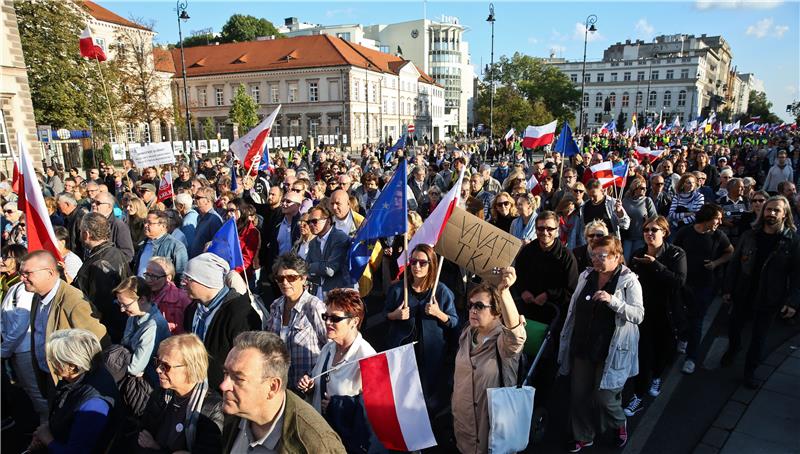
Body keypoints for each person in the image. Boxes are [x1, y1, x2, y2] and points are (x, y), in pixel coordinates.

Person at [558, 236, 644, 452]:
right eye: (593, 255)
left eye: (602, 256)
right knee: (579, 395)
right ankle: (584, 435)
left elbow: (638, 314)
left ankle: (618, 422)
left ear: (616, 256)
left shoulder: (629, 280)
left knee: (604, 398)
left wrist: (613, 301)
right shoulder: (586, 275)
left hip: (611, 349)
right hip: (583, 345)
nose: (596, 260)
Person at [220, 331, 347, 453]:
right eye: (226, 373)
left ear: (273, 387)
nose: (224, 386)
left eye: (238, 378)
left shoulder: (315, 444)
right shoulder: (230, 418)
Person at [722, 196, 799, 388]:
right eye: (768, 209)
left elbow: (797, 274)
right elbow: (735, 263)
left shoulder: (791, 241)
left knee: (759, 337)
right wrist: (728, 288)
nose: (771, 213)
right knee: (734, 327)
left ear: (785, 214)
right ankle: (733, 348)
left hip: (770, 297)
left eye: (776, 210)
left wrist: (792, 301)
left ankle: (750, 371)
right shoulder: (750, 235)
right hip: (743, 292)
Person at [452, 269, 526, 454]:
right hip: (464, 425)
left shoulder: (503, 341)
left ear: (496, 311)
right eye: (470, 305)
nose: (472, 310)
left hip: (491, 427)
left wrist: (504, 292)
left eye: (479, 306)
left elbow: (516, 337)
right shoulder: (467, 333)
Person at [296, 289, 377, 452]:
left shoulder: (367, 358)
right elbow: (318, 381)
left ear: (354, 321)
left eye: (335, 318)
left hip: (348, 445)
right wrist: (310, 387)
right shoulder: (328, 348)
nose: (327, 322)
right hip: (322, 438)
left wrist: (338, 405)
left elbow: (375, 409)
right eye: (326, 316)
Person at [384, 244, 458, 414]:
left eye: (422, 263)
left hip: (430, 354)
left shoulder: (441, 291)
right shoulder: (398, 289)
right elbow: (384, 314)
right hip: (402, 352)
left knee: (425, 398)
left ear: (431, 264)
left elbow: (454, 323)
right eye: (414, 261)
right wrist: (394, 315)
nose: (417, 266)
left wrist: (439, 314)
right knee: (401, 394)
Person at [624, 216, 687, 416]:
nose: (649, 233)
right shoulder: (637, 254)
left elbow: (678, 282)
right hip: (644, 315)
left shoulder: (676, 254)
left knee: (663, 352)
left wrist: (655, 265)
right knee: (644, 354)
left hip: (667, 314)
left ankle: (658, 376)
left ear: (665, 233)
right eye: (646, 230)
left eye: (655, 230)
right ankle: (638, 395)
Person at [24, 250, 109, 397]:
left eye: (27, 273)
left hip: (72, 384)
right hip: (50, 377)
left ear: (49, 273)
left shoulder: (74, 301)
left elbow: (99, 343)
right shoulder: (37, 297)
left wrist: (81, 383)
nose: (22, 278)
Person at [27, 329, 119, 453]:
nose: (51, 363)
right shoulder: (83, 375)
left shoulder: (94, 404)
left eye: (55, 360)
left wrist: (47, 439)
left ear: (72, 366)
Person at [182, 253, 261, 390]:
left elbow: (247, 360)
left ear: (205, 280)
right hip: (196, 388)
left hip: (224, 393)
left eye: (189, 278)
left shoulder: (240, 312)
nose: (183, 283)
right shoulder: (192, 310)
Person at [137, 334, 224, 454]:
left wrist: (156, 448)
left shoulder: (212, 408)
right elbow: (143, 434)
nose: (158, 369)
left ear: (191, 368)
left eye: (166, 366)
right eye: (157, 362)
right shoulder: (161, 393)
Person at [672, 204, 733, 374]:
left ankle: (691, 358)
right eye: (717, 218)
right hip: (683, 282)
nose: (720, 222)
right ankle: (683, 338)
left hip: (704, 284)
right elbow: (674, 251)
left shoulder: (719, 236)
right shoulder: (685, 232)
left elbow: (730, 252)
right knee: (680, 315)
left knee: (697, 320)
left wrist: (716, 263)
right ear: (707, 217)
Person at [265, 254, 327, 391]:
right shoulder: (275, 306)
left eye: (291, 277)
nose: (285, 283)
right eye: (280, 278)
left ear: (303, 278)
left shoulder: (314, 306)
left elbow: (330, 347)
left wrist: (313, 377)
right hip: (282, 387)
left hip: (309, 389)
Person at [1, 245, 47, 420]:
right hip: (16, 348)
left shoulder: (24, 289)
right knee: (28, 388)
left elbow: (20, 323)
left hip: (24, 349)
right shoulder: (14, 286)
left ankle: (47, 426)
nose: (2, 260)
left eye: (7, 257)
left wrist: (4, 349)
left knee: (35, 390)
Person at [74, 213, 132, 343]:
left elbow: (98, 305)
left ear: (87, 234)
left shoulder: (99, 262)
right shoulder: (114, 253)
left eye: (81, 231)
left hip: (104, 332)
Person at [513, 211, 579, 319]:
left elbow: (571, 289)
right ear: (536, 229)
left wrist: (549, 295)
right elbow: (517, 276)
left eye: (549, 229)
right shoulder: (527, 251)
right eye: (540, 228)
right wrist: (523, 291)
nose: (545, 232)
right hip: (525, 311)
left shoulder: (567, 256)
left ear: (557, 230)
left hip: (553, 314)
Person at [114, 276, 171, 387]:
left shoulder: (153, 326)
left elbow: (135, 368)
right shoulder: (133, 315)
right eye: (119, 304)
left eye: (125, 305)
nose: (121, 309)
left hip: (148, 385)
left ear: (142, 300)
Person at [306, 205, 352, 296]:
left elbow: (330, 270)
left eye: (315, 221)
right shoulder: (312, 243)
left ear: (328, 221)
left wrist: (310, 267)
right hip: (318, 293)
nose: (311, 224)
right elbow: (306, 270)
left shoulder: (340, 238)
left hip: (339, 293)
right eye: (309, 222)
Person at [132, 211, 188, 282]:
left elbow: (181, 276)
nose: (145, 225)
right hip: (141, 289)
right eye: (145, 222)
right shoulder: (144, 243)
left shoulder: (176, 246)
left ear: (163, 226)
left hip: (162, 292)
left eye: (149, 223)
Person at [145, 257, 192, 335]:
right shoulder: (143, 294)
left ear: (168, 278)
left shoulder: (182, 299)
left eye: (154, 277)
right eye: (147, 275)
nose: (149, 280)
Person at [621, 176, 657, 263]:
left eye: (645, 188)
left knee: (636, 260)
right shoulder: (625, 201)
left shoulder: (647, 200)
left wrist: (647, 220)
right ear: (635, 189)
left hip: (640, 237)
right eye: (642, 188)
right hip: (627, 237)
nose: (645, 190)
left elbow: (654, 217)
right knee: (625, 260)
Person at [226, 199, 261, 283]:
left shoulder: (251, 231)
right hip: (228, 272)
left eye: (232, 210)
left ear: (241, 210)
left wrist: (233, 274)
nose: (228, 213)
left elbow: (247, 260)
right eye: (227, 210)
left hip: (241, 277)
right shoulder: (230, 226)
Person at [92, 192, 135, 261]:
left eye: (98, 203)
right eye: (93, 201)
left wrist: (108, 264)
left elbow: (127, 254)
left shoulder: (119, 226)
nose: (93, 204)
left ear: (109, 206)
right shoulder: (91, 222)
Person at [189, 187, 224, 258]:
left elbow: (217, 245)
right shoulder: (200, 216)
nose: (195, 199)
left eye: (198, 197)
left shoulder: (214, 219)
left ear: (208, 201)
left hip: (204, 263)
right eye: (195, 197)